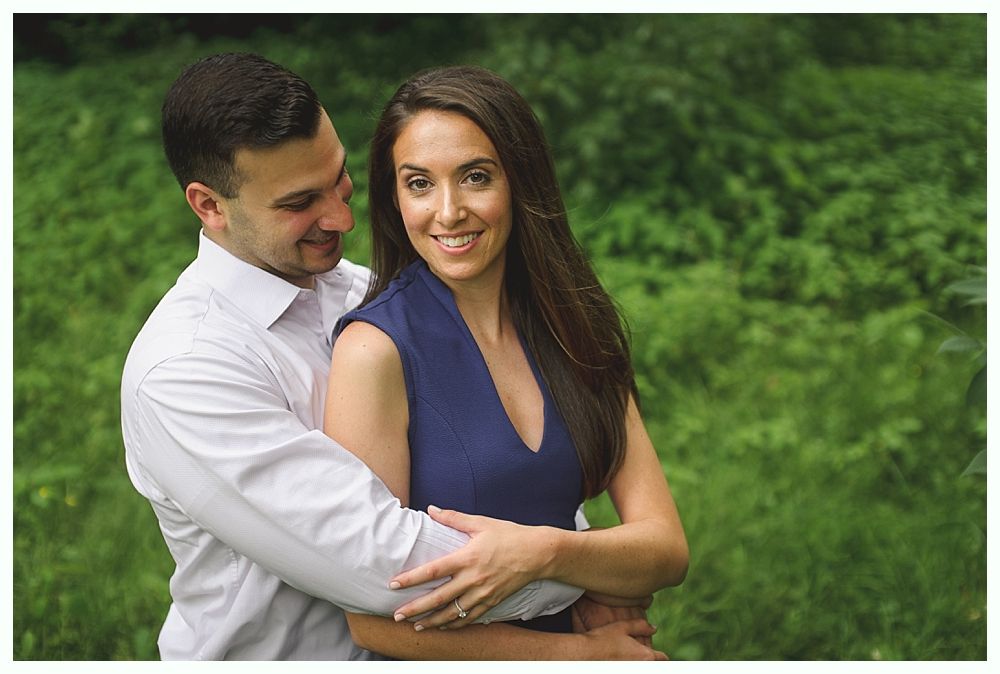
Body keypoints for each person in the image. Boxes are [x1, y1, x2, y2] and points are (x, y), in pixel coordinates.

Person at [121, 53, 664, 660]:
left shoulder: (362, 291)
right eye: (300, 201)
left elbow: (506, 470)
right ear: (209, 206)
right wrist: (591, 573)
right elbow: (384, 566)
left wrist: (588, 561)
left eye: (340, 179)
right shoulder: (186, 371)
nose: (342, 217)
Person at [325, 65, 689, 659]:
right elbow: (373, 617)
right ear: (394, 198)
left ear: (521, 182)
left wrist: (546, 553)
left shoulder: (574, 325)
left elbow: (666, 549)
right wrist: (584, 654)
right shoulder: (374, 351)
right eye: (419, 183)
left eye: (475, 177)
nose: (448, 212)